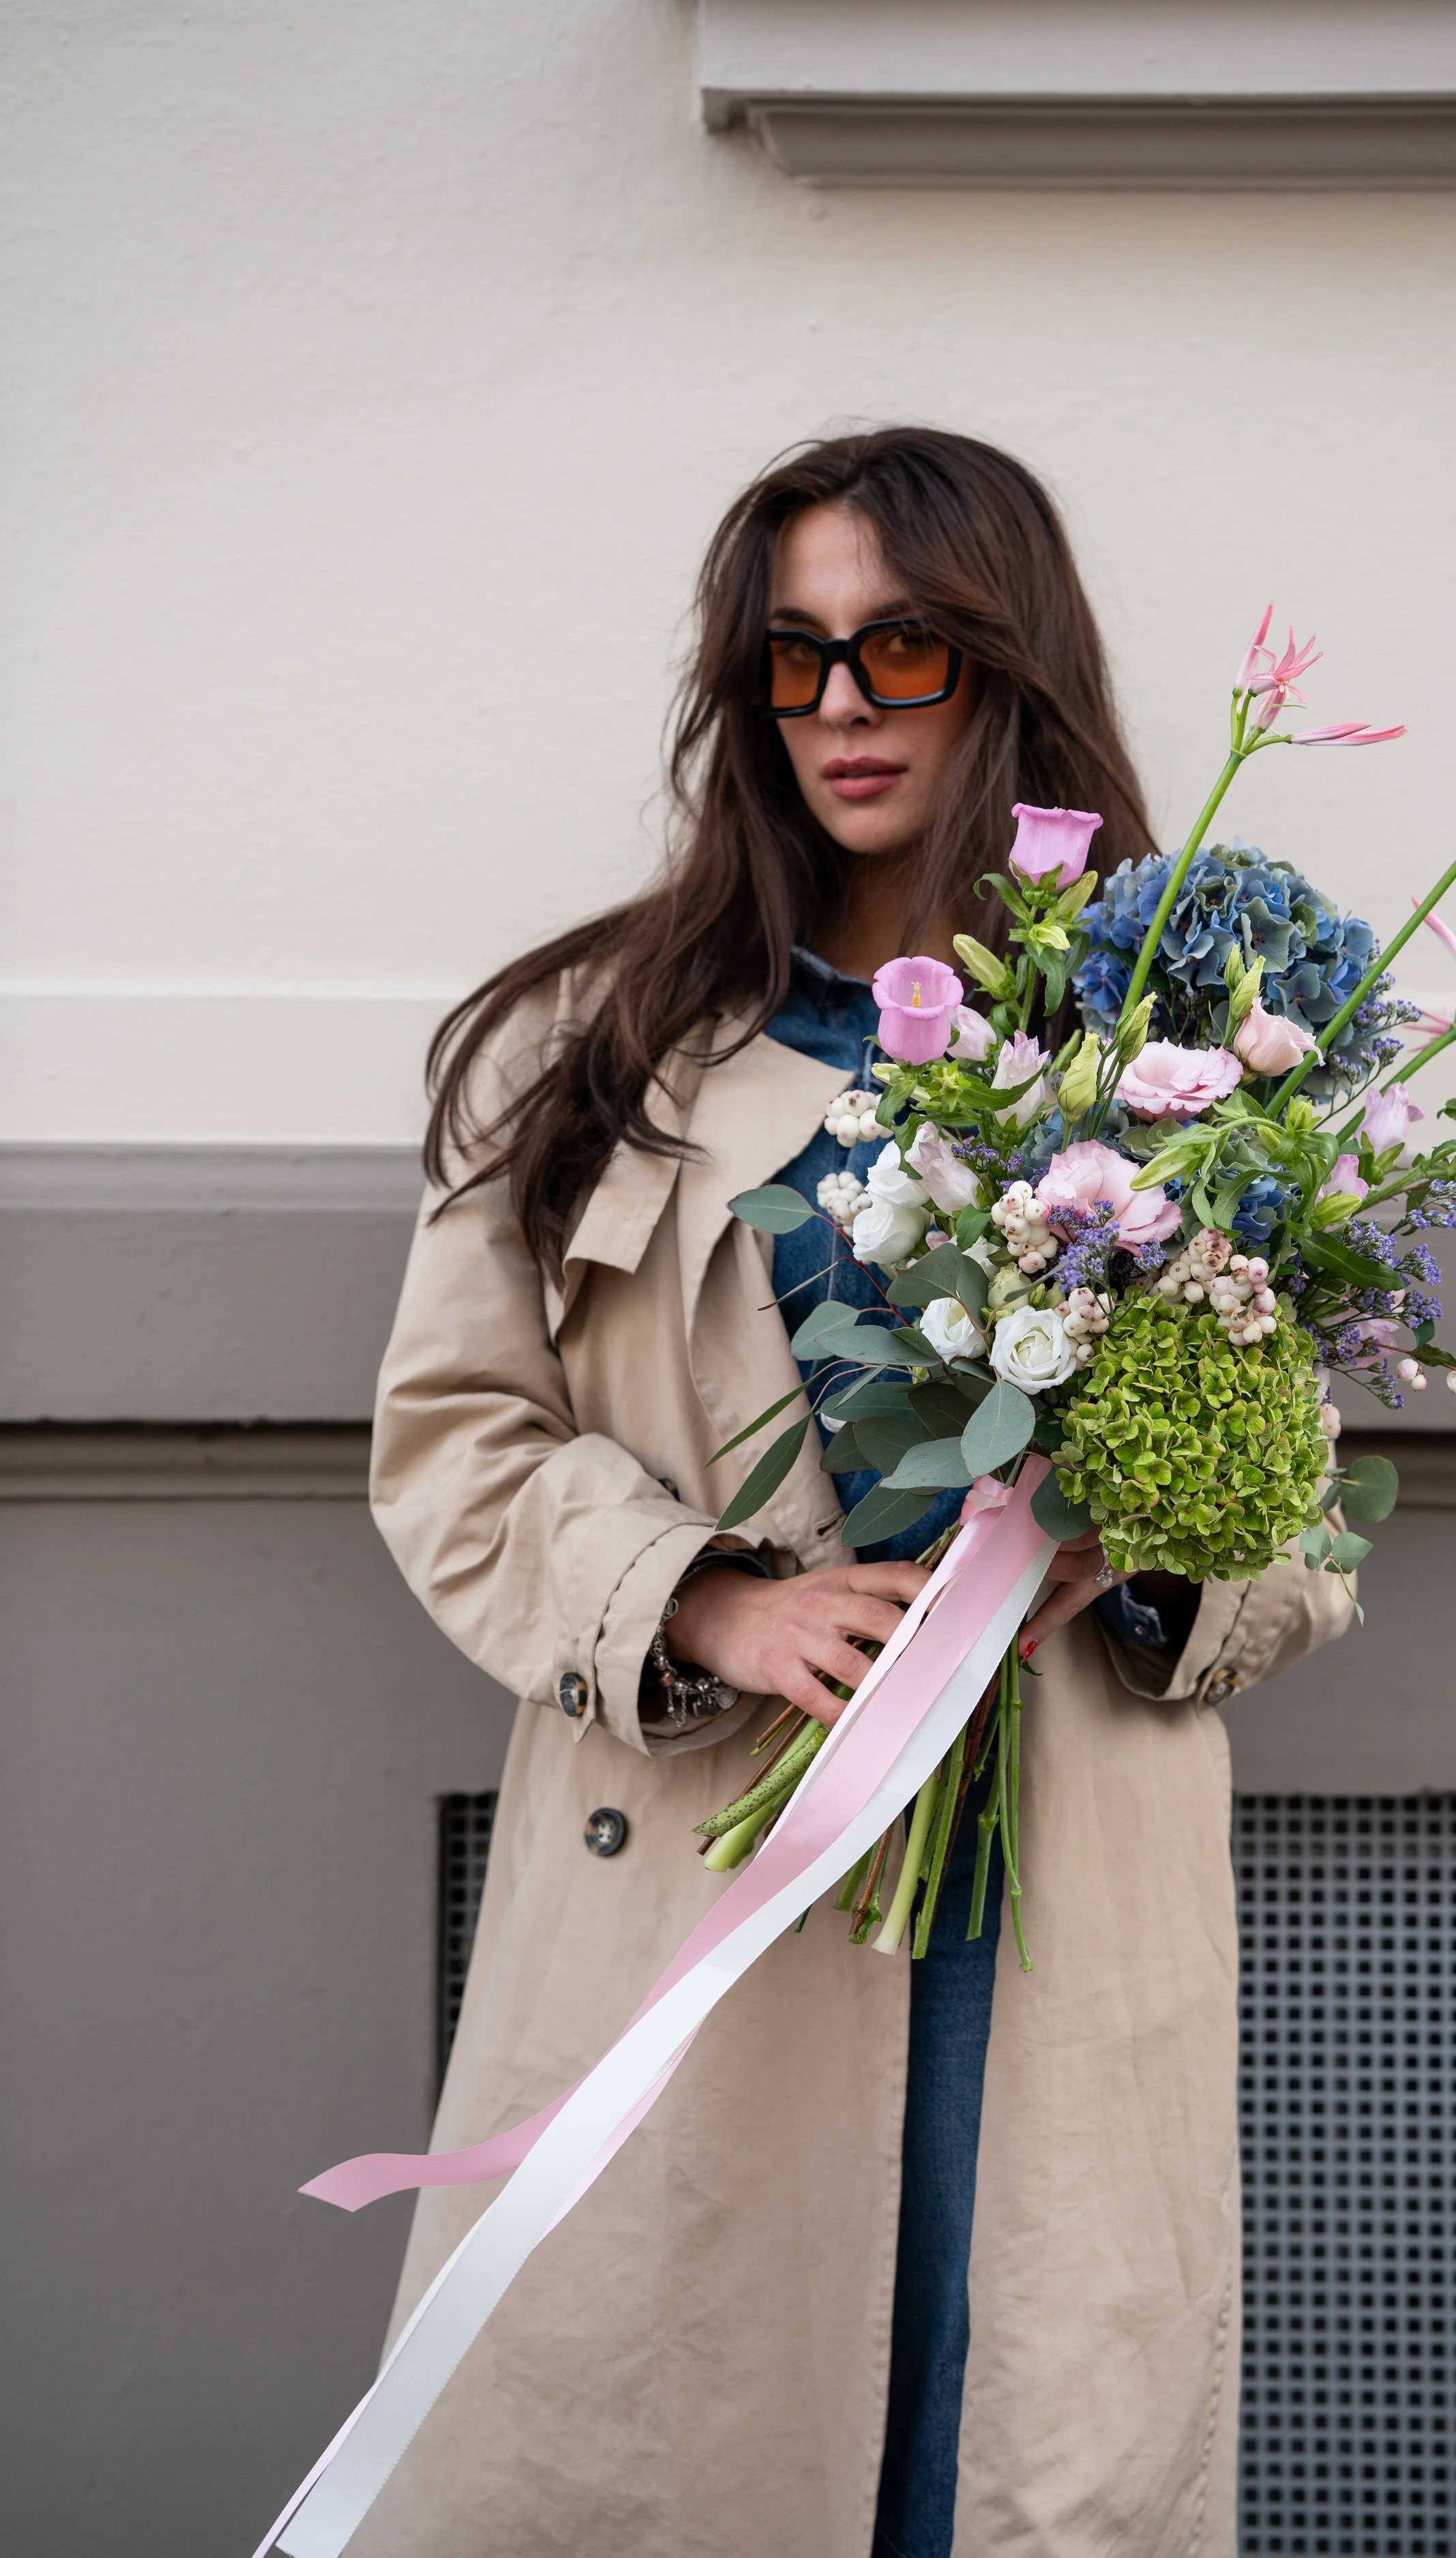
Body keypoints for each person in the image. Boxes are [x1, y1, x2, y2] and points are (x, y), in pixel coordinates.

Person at [355, 428, 1354, 2558]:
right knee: (684, 2444)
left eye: (896, 650)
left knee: (1003, 2461)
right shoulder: (592, 1038)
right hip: (709, 1884)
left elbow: (1297, 1523)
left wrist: (1151, 1551)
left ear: (1006, 672)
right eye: (787, 659)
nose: (833, 709)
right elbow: (453, 1443)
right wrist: (705, 1601)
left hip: (1043, 1898)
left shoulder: (1177, 1054)